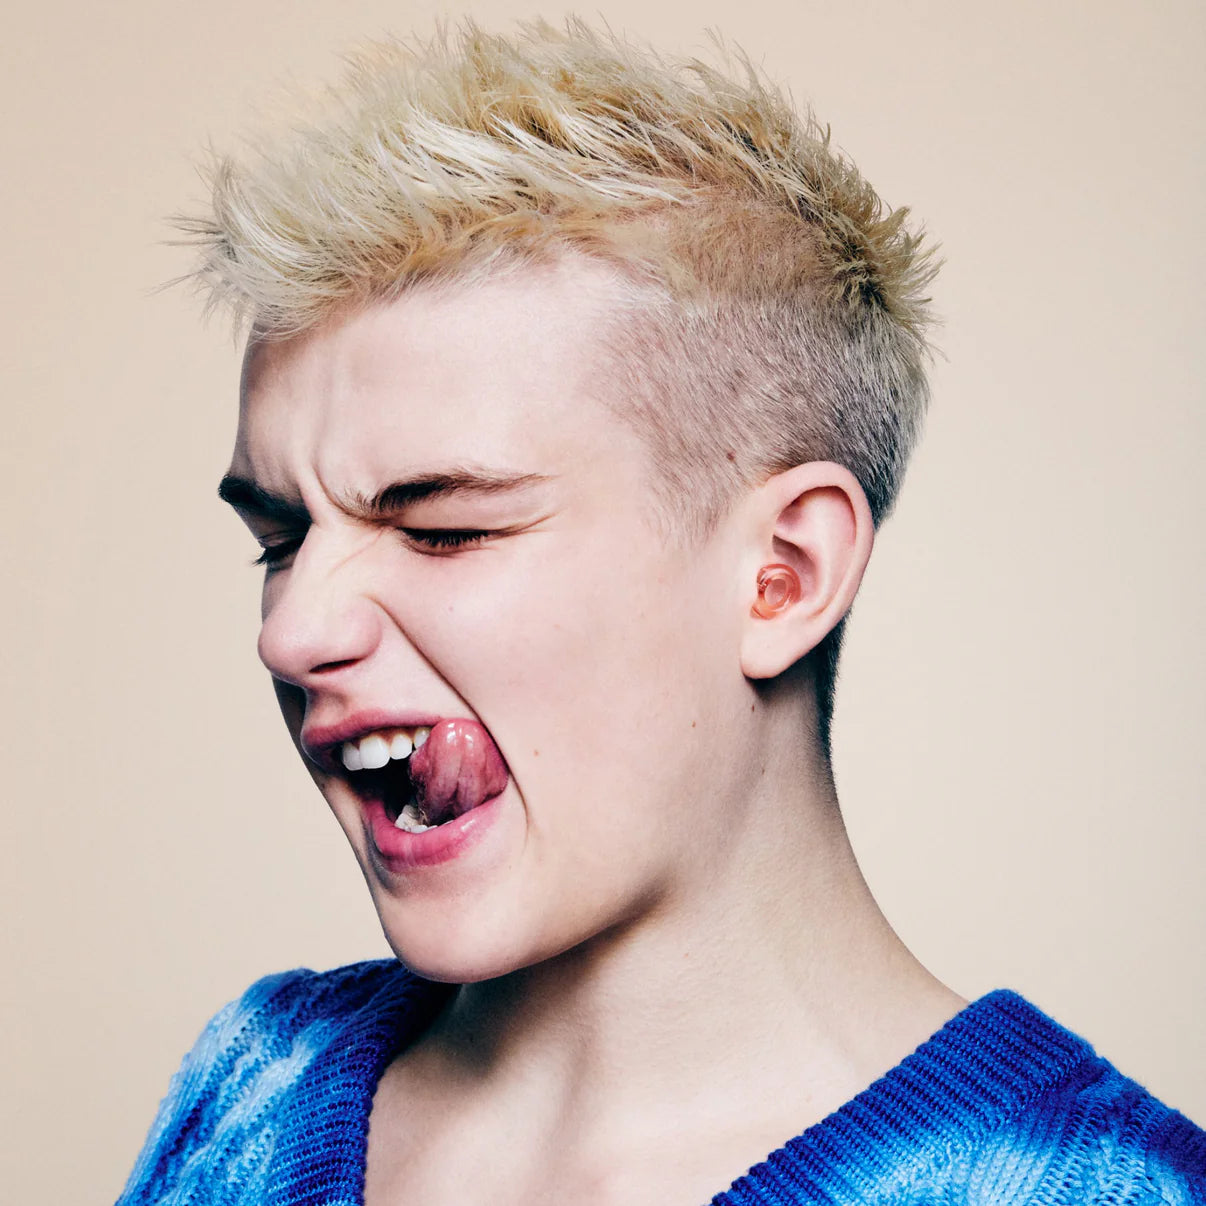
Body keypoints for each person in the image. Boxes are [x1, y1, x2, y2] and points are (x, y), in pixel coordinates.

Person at [118, 18, 1205, 1206]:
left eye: (445, 529)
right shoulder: (251, 1089)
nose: (290, 633)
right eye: (283, 540)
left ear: (783, 574)